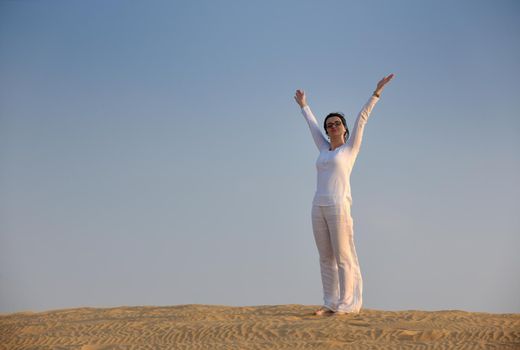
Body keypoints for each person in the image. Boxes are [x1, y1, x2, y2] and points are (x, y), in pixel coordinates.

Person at [294, 74, 394, 315]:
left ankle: (346, 304)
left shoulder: (350, 149)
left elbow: (362, 119)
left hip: (339, 206)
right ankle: (329, 302)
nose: (332, 126)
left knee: (343, 256)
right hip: (318, 205)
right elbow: (313, 126)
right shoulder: (323, 148)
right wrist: (304, 106)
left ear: (345, 128)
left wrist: (376, 93)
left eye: (337, 123)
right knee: (325, 257)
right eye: (329, 125)